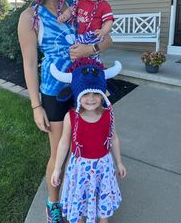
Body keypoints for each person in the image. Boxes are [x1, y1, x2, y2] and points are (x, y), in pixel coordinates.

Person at [18, 0, 113, 223]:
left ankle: (82, 198)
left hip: (85, 88)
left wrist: (91, 49)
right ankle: (54, 204)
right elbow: (29, 64)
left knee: (86, 147)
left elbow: (107, 39)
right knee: (60, 150)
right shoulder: (29, 17)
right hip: (54, 91)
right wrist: (36, 105)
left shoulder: (80, 7)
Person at [50, 58, 127, 223]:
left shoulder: (107, 115)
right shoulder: (71, 117)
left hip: (103, 168)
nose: (91, 98)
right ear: (77, 94)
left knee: (103, 211)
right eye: (85, 93)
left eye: (96, 94)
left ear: (103, 95)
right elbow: (64, 143)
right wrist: (57, 169)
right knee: (80, 208)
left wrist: (119, 162)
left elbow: (113, 138)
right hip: (80, 169)